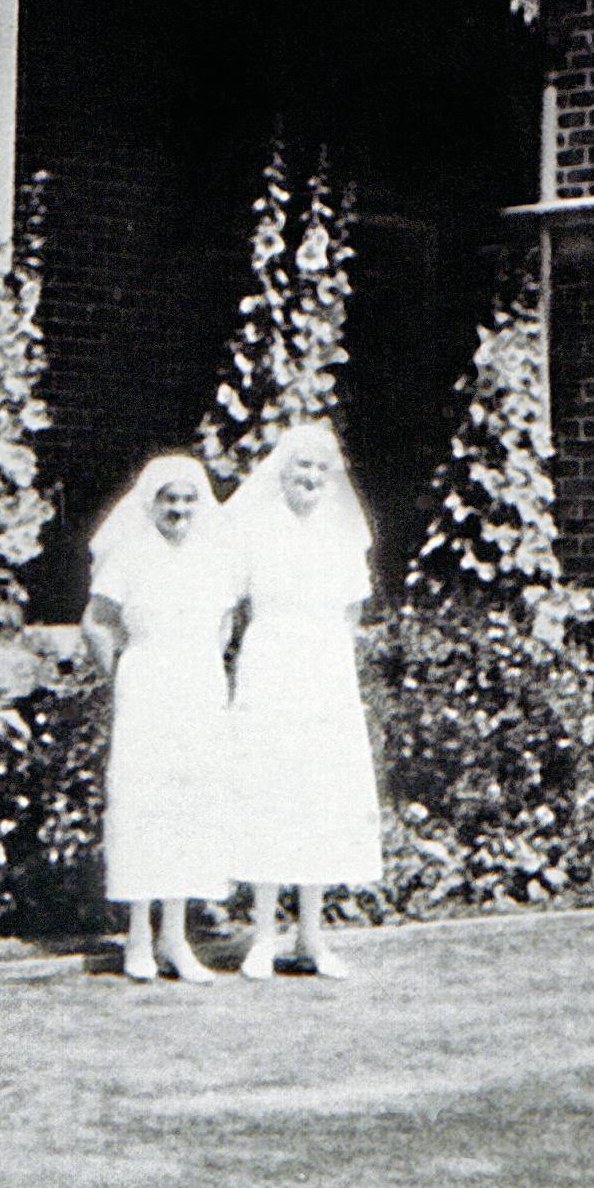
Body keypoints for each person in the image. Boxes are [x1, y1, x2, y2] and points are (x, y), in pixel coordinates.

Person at [224, 419, 383, 978]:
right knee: (270, 788)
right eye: (301, 466)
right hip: (270, 664)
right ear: (281, 472)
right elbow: (231, 600)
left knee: (319, 794)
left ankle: (311, 935)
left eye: (321, 467)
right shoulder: (256, 526)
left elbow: (351, 609)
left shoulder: (341, 532)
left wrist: (323, 653)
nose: (311, 477)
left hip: (324, 670)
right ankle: (264, 936)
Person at [84, 454, 238, 984]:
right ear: (151, 504)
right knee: (144, 805)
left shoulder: (215, 558)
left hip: (196, 688)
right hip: (147, 687)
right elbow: (97, 624)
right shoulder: (128, 556)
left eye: (189, 499)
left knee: (187, 806)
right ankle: (137, 938)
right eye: (170, 499)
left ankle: (175, 937)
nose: (180, 509)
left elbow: (224, 625)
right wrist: (123, 676)